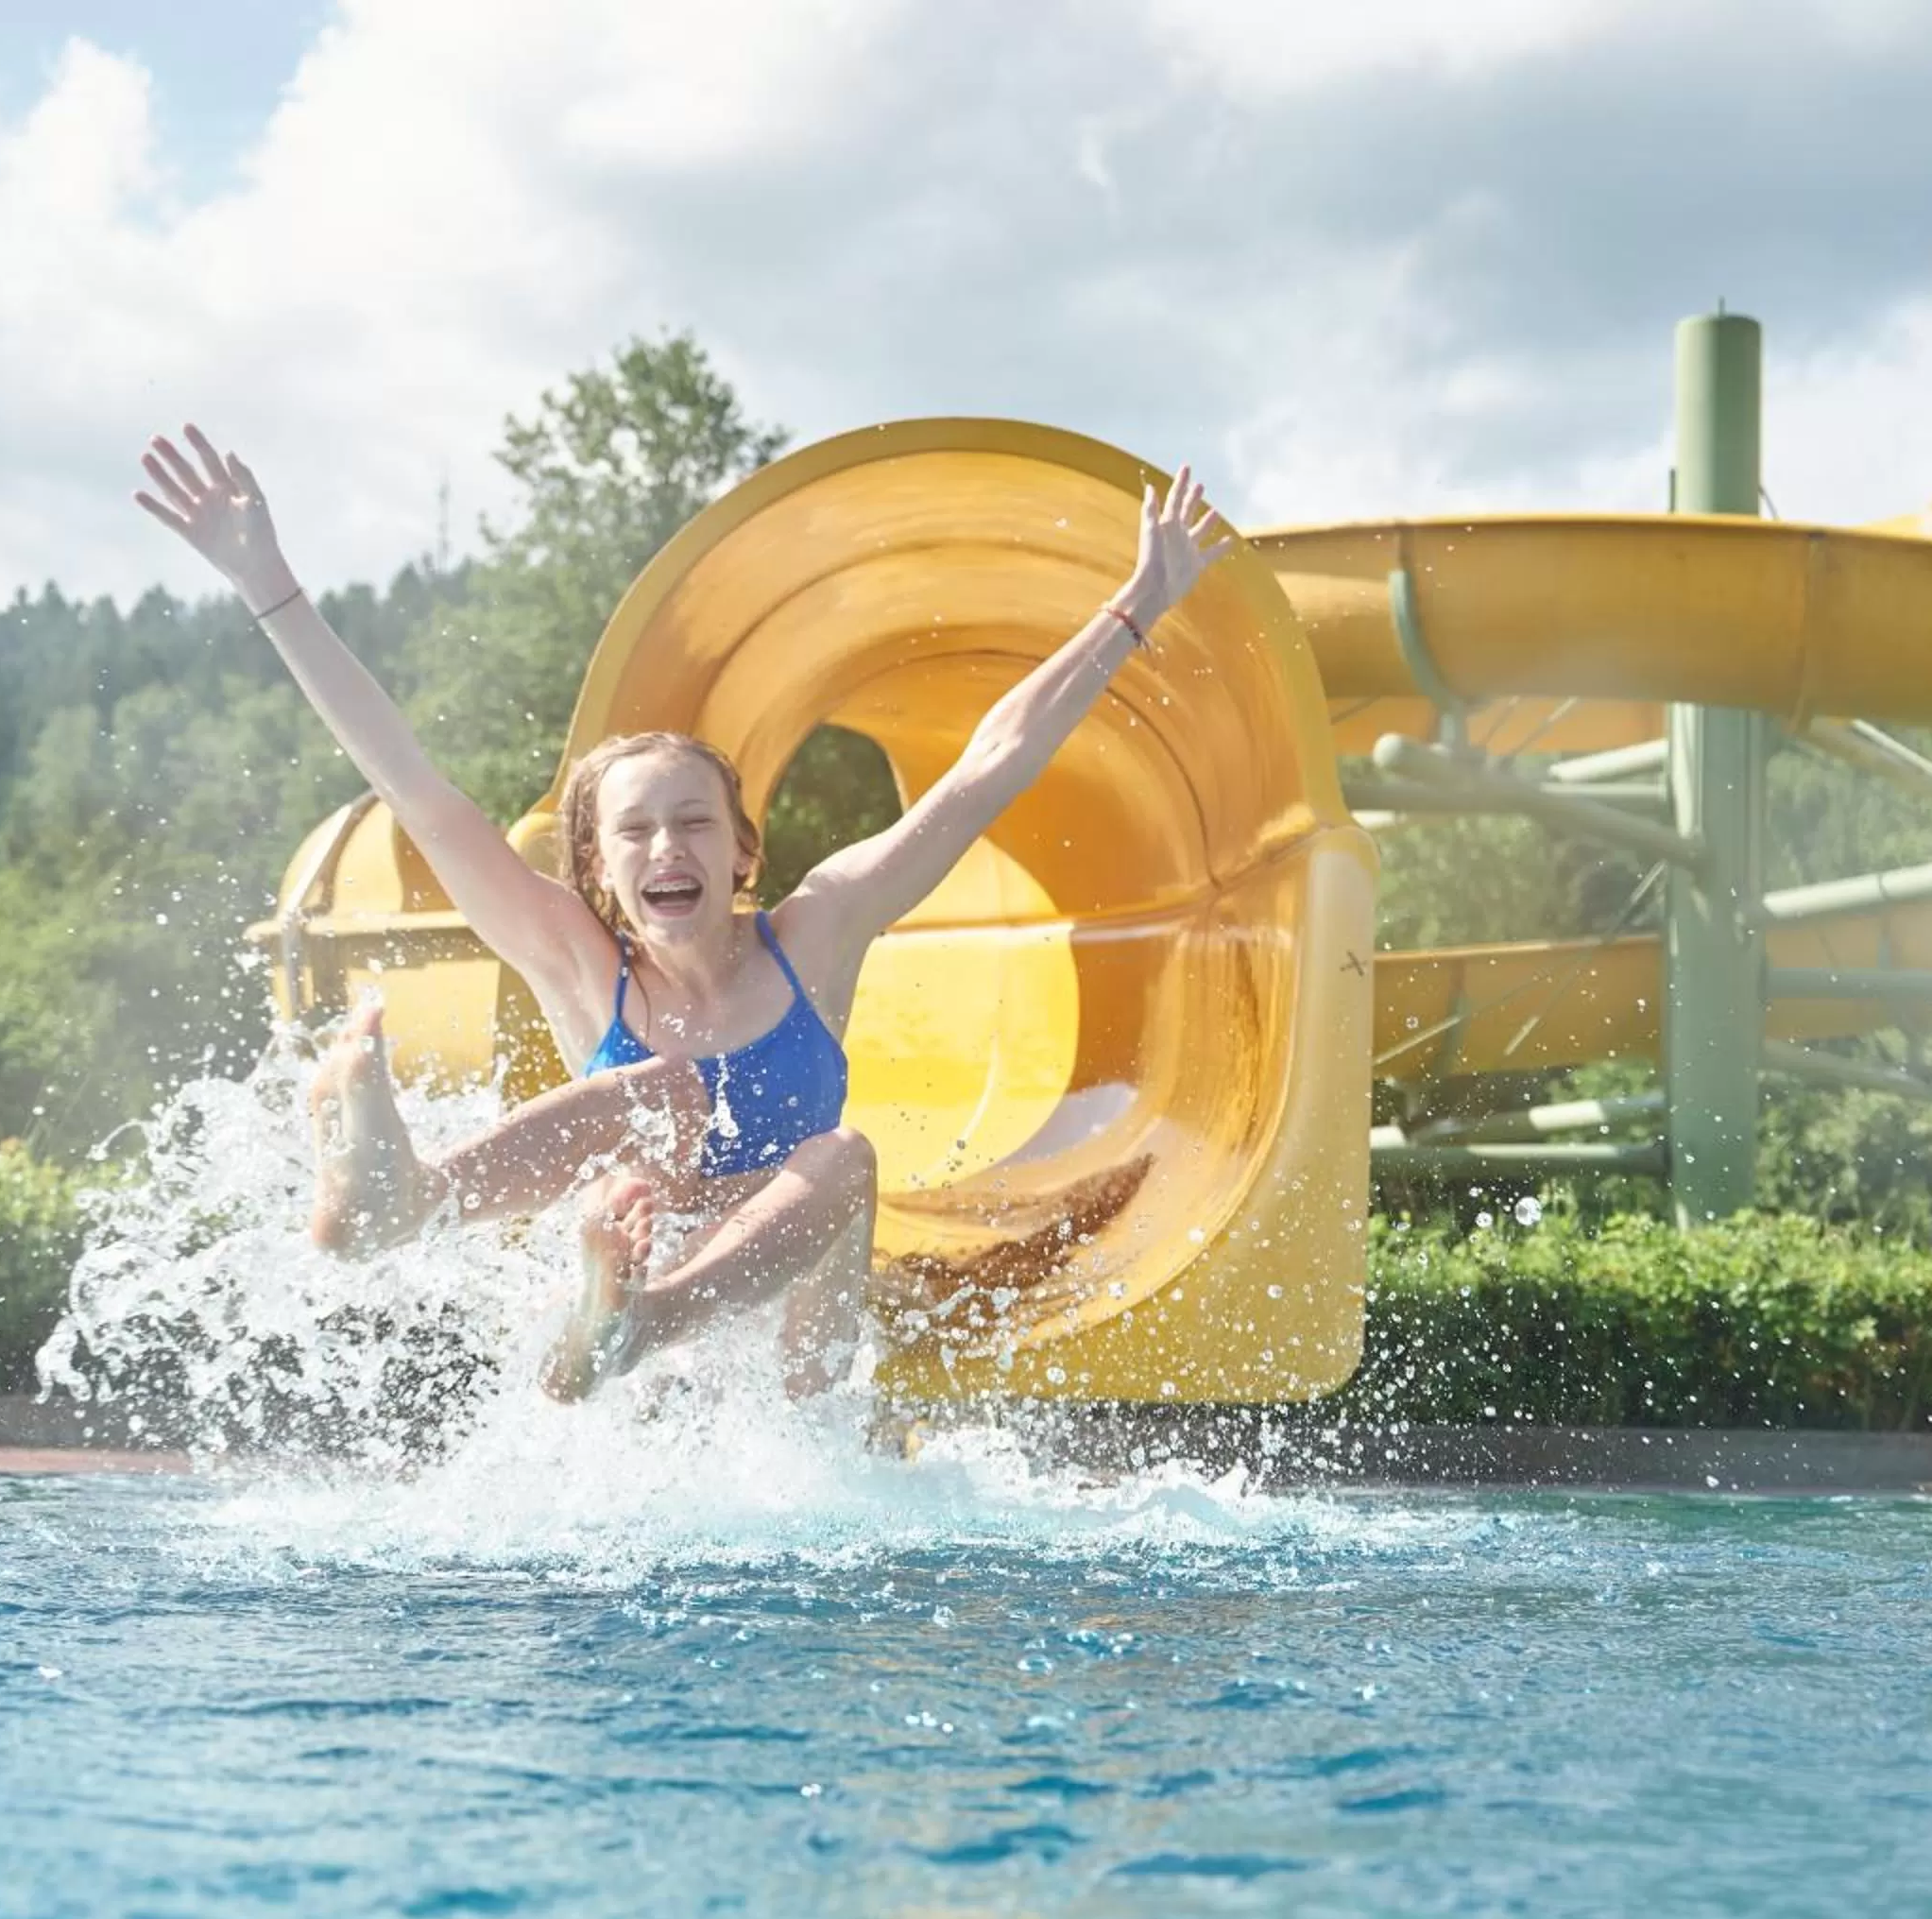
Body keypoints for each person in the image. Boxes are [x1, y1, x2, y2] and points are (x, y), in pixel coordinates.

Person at [133, 423, 1233, 1401]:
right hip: (634, 1260)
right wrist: (266, 583)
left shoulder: (820, 933)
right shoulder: (578, 963)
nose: (670, 847)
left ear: (743, 849)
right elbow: (416, 789)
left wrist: (1136, 607)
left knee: (844, 1154)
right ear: (598, 872)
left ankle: (641, 1322)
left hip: (794, 1365)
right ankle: (407, 1201)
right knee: (654, 1094)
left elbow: (986, 771)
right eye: (637, 832)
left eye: (696, 823)